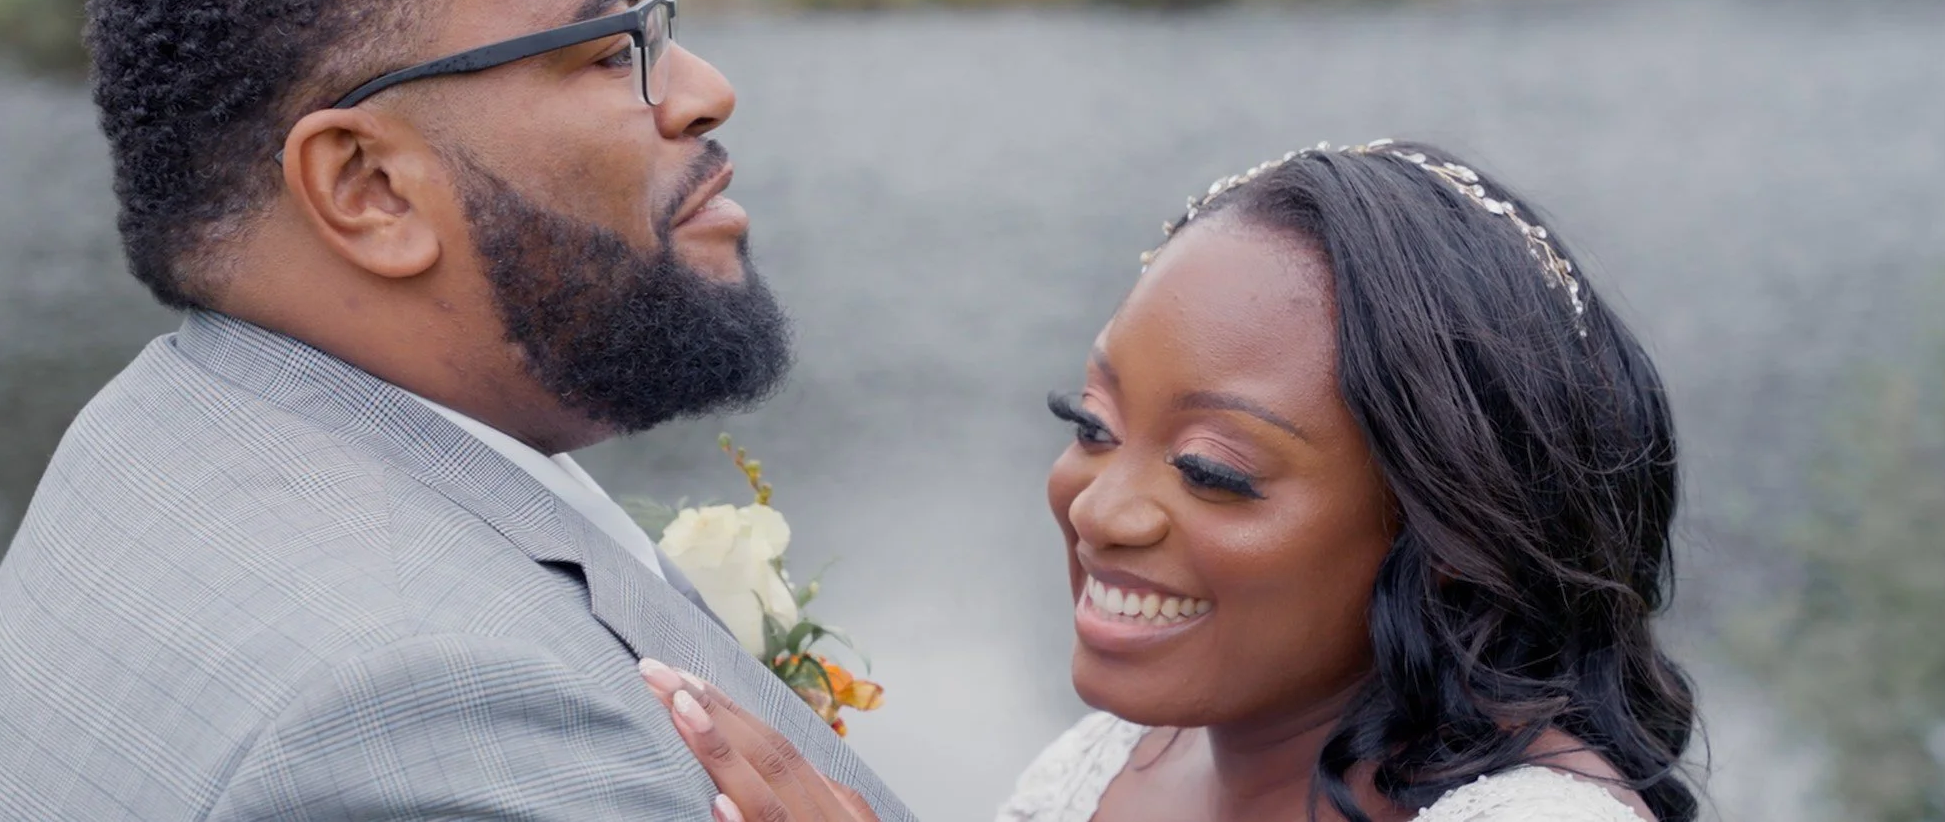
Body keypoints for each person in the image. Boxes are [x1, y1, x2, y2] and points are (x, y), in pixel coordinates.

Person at [0, 0, 911, 819]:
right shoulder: (440, 714)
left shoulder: (158, 434)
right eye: (612, 47)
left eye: (657, 19)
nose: (705, 91)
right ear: (368, 187)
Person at [640, 141, 1697, 822]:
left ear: (1453, 523)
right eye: (1090, 426)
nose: (1100, 508)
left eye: (1211, 470)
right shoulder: (1101, 767)